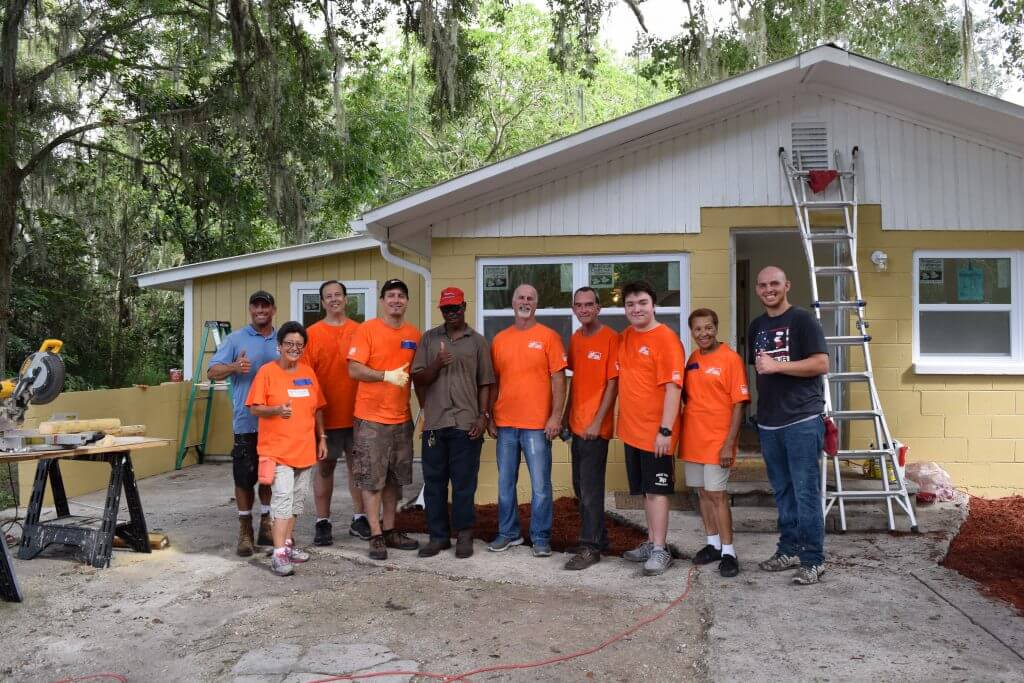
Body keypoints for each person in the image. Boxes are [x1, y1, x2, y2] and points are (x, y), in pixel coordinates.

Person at [748, 266, 830, 586]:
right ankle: (790, 549)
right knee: (783, 493)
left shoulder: (803, 321)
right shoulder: (756, 326)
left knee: (805, 492)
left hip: (802, 420)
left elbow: (821, 363)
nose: (769, 289)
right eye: (763, 285)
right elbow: (758, 371)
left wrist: (779, 365)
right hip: (769, 423)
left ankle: (813, 559)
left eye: (774, 284)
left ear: (787, 286)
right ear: (757, 290)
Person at [411, 287, 495, 559]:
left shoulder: (478, 342)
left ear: (464, 306)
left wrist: (483, 416)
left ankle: (464, 535)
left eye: (455, 308)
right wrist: (437, 363)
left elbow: (486, 382)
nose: (451, 313)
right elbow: (418, 379)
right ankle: (438, 537)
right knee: (434, 483)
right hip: (436, 423)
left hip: (466, 424)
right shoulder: (429, 339)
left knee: (464, 484)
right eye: (446, 309)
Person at [486, 284, 567, 557]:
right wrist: (491, 416)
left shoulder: (549, 337)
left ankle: (541, 537)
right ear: (512, 302)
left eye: (530, 298)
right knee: (505, 484)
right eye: (520, 297)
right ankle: (508, 533)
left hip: (537, 426)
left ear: (536, 304)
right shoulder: (499, 339)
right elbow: (495, 382)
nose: (525, 301)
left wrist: (556, 416)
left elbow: (559, 379)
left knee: (541, 487)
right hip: (506, 423)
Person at [347, 279, 421, 561]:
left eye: (401, 296)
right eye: (391, 296)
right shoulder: (367, 330)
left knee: (394, 481)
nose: (396, 300)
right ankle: (375, 535)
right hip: (371, 420)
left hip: (401, 419)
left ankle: (390, 530)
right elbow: (354, 369)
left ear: (407, 301)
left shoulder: (413, 334)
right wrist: (384, 375)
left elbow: (420, 372)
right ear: (382, 301)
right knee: (372, 481)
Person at [246, 321, 327, 577]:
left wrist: (322, 437)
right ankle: (279, 554)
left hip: (305, 450)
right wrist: (276, 410)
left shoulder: (308, 372)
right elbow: (254, 407)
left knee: (296, 504)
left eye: (299, 345)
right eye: (289, 344)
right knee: (282, 501)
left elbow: (317, 409)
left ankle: (288, 544)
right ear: (279, 346)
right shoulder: (267, 373)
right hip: (277, 451)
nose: (294, 348)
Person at [617, 281, 685, 576]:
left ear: (653, 305)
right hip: (632, 431)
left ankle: (660, 549)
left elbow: (673, 388)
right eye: (630, 304)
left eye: (642, 302)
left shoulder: (666, 339)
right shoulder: (625, 337)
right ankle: (650, 541)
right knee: (646, 492)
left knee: (658, 492)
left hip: (656, 434)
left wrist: (665, 430)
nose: (637, 309)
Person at [207, 290, 279, 557]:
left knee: (270, 478)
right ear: (250, 309)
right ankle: (245, 530)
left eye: (266, 306)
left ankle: (267, 524)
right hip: (246, 422)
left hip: (275, 424)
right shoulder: (235, 339)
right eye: (256, 306)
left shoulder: (281, 339)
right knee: (244, 478)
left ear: (274, 310)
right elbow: (212, 371)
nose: (261, 310)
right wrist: (235, 367)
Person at [681, 308, 749, 578]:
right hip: (693, 440)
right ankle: (712, 544)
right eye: (697, 329)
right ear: (692, 332)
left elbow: (738, 405)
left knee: (718, 495)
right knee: (703, 493)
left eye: (708, 327)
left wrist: (728, 443)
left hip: (717, 441)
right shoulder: (693, 358)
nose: (703, 333)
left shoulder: (730, 359)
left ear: (716, 327)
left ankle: (729, 552)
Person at [304, 280, 370, 546]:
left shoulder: (361, 331)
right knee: (324, 468)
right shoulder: (312, 334)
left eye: (338, 295)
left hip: (358, 414)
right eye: (328, 296)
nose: (334, 300)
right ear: (322, 302)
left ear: (346, 299)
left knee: (358, 469)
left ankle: (360, 517)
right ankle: (323, 521)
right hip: (325, 417)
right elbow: (306, 378)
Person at [562, 287, 618, 571]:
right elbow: (576, 381)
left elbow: (612, 384)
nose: (584, 310)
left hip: (596, 429)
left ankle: (590, 547)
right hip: (577, 424)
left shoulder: (610, 338)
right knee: (581, 488)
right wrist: (564, 418)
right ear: (574, 309)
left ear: (599, 307)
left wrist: (597, 421)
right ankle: (600, 538)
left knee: (592, 490)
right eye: (579, 305)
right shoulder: (575, 339)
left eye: (589, 305)